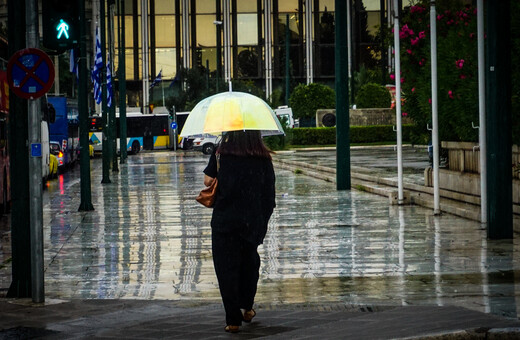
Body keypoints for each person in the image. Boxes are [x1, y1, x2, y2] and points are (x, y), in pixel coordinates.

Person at [203, 130, 276, 333]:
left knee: (226, 269)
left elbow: (207, 182)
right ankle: (247, 307)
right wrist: (262, 220)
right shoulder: (262, 158)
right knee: (249, 266)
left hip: (224, 222)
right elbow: (269, 194)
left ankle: (232, 320)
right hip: (251, 222)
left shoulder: (220, 154)